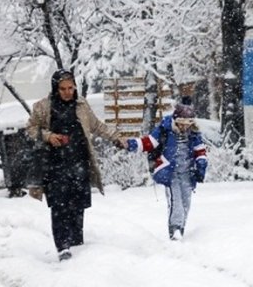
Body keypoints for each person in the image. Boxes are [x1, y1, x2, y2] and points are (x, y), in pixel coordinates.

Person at [26, 69, 126, 261]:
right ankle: (63, 247)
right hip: (55, 165)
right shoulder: (43, 107)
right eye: (63, 89)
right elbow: (30, 129)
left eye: (70, 88)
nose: (67, 92)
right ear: (55, 89)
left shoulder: (81, 105)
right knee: (59, 207)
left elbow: (96, 126)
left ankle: (77, 243)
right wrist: (49, 136)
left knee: (78, 205)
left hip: (79, 162)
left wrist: (116, 137)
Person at [127, 102, 208, 240]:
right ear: (175, 121)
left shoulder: (193, 134)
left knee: (186, 202)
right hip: (171, 173)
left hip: (188, 173)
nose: (184, 127)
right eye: (181, 123)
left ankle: (181, 228)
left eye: (188, 123)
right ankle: (175, 229)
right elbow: (149, 142)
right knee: (175, 201)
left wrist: (201, 163)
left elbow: (200, 150)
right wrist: (130, 144)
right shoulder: (165, 130)